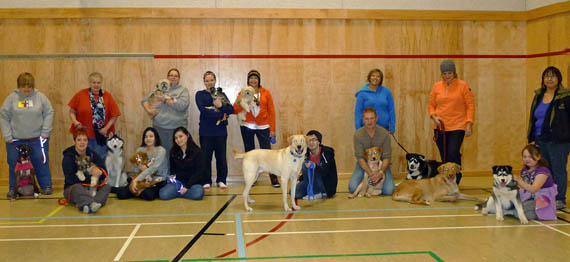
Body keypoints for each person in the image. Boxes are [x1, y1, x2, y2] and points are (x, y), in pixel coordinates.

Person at [1, 72, 54, 197]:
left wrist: (45, 132)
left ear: (33, 86)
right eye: (24, 86)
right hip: (15, 140)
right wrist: (7, 135)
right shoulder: (11, 98)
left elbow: (49, 112)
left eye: (29, 86)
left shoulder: (40, 97)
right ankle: (13, 189)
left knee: (41, 161)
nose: (26, 89)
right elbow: (3, 116)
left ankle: (46, 185)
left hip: (37, 138)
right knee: (14, 162)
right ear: (19, 86)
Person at [527, 66, 569, 210]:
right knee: (544, 171)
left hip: (559, 141)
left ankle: (560, 199)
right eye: (546, 76)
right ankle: (547, 197)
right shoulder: (538, 95)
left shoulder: (565, 96)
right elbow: (533, 118)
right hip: (540, 139)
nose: (549, 79)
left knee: (558, 170)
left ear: (559, 79)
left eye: (553, 76)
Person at [428, 60, 475, 184]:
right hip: (440, 127)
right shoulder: (436, 86)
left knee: (452, 153)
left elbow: (470, 106)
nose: (447, 76)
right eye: (444, 73)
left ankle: (456, 179)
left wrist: (469, 124)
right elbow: (431, 105)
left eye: (449, 73)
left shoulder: (463, 85)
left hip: (458, 126)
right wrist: (433, 116)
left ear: (454, 73)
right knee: (445, 156)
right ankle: (448, 181)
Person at [233, 69, 280, 187]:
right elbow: (235, 109)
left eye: (255, 78)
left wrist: (272, 129)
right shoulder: (243, 91)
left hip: (263, 126)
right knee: (250, 153)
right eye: (251, 78)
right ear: (248, 80)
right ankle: (251, 178)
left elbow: (272, 112)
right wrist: (241, 101)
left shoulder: (266, 93)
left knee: (268, 153)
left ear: (259, 80)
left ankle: (273, 178)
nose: (253, 80)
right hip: (247, 126)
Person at [68, 72, 121, 159]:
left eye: (98, 82)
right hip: (83, 135)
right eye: (94, 82)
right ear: (90, 83)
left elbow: (114, 115)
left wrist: (106, 129)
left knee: (100, 159)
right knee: (83, 160)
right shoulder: (81, 94)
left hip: (100, 136)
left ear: (101, 83)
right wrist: (75, 121)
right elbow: (72, 111)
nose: (96, 85)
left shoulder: (107, 96)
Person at [195, 71, 234, 189]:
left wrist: (221, 106)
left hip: (220, 132)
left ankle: (221, 180)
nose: (209, 83)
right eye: (207, 80)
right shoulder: (200, 94)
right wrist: (221, 115)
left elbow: (231, 109)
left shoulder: (221, 94)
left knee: (221, 157)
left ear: (215, 81)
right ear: (204, 82)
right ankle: (206, 180)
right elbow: (204, 111)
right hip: (206, 132)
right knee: (206, 158)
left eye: (211, 80)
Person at [62, 129, 111, 214]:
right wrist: (89, 173)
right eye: (79, 140)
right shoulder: (68, 157)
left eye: (85, 140)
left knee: (107, 186)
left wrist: (100, 172)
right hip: (74, 187)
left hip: (92, 187)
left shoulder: (92, 154)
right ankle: (92, 203)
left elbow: (104, 171)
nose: (82, 142)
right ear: (75, 141)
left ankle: (87, 205)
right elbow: (70, 179)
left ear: (88, 142)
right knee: (77, 188)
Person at [142, 68, 190, 153]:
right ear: (167, 78)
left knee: (176, 154)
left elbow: (182, 106)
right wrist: (149, 110)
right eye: (171, 75)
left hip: (177, 129)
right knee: (161, 154)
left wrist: (164, 99)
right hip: (159, 128)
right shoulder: (159, 90)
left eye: (176, 76)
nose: (173, 77)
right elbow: (144, 100)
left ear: (179, 79)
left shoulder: (183, 90)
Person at [348, 107, 395, 195]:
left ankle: (373, 186)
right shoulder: (358, 135)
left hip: (381, 164)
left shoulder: (384, 133)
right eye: (367, 119)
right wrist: (371, 174)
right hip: (364, 164)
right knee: (352, 188)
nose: (369, 122)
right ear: (363, 120)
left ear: (376, 119)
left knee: (389, 191)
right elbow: (360, 157)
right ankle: (371, 184)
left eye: (372, 118)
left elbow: (387, 156)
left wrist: (380, 172)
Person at [116, 127, 168, 200]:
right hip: (142, 179)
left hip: (156, 180)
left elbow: (152, 169)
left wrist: (135, 180)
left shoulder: (161, 151)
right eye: (146, 137)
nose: (148, 139)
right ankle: (137, 190)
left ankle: (136, 190)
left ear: (156, 138)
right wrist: (139, 167)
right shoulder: (140, 150)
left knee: (148, 195)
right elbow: (134, 168)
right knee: (120, 194)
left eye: (151, 136)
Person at [513, 144, 558, 220]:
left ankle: (543, 214)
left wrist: (518, 180)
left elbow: (533, 189)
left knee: (518, 211)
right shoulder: (524, 171)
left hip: (542, 200)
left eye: (530, 156)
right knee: (511, 205)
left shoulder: (543, 171)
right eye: (525, 157)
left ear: (538, 157)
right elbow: (524, 188)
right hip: (529, 198)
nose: (527, 159)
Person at [159, 127, 205, 200]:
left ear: (187, 135)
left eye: (181, 136)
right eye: (176, 138)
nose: (178, 140)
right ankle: (182, 192)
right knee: (163, 194)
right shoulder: (173, 152)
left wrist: (187, 187)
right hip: (179, 183)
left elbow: (199, 173)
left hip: (193, 184)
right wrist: (172, 176)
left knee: (198, 193)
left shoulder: (197, 152)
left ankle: (178, 193)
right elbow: (173, 170)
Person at [295, 130, 338, 200]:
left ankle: (318, 193)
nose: (311, 142)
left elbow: (325, 172)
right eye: (309, 140)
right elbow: (306, 174)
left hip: (325, 184)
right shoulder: (306, 153)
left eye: (314, 140)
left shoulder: (327, 152)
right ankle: (313, 191)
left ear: (319, 142)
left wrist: (315, 166)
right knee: (294, 193)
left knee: (305, 164)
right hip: (310, 181)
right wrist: (300, 180)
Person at [354, 68, 396, 133]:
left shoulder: (386, 92)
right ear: (369, 77)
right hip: (366, 129)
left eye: (378, 76)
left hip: (384, 128)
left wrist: (392, 127)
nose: (375, 78)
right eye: (373, 75)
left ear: (381, 79)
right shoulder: (362, 93)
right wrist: (358, 129)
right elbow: (358, 112)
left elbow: (391, 110)